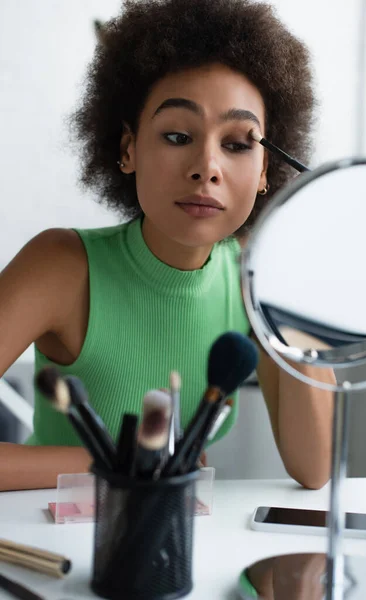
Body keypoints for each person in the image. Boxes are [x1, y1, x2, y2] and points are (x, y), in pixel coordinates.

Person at [0, 0, 334, 492]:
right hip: (48, 546)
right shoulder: (62, 267)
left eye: (239, 144)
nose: (207, 167)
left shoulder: (253, 280)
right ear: (128, 149)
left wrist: (289, 279)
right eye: (178, 135)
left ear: (265, 171)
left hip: (179, 548)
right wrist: (121, 461)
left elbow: (313, 470)